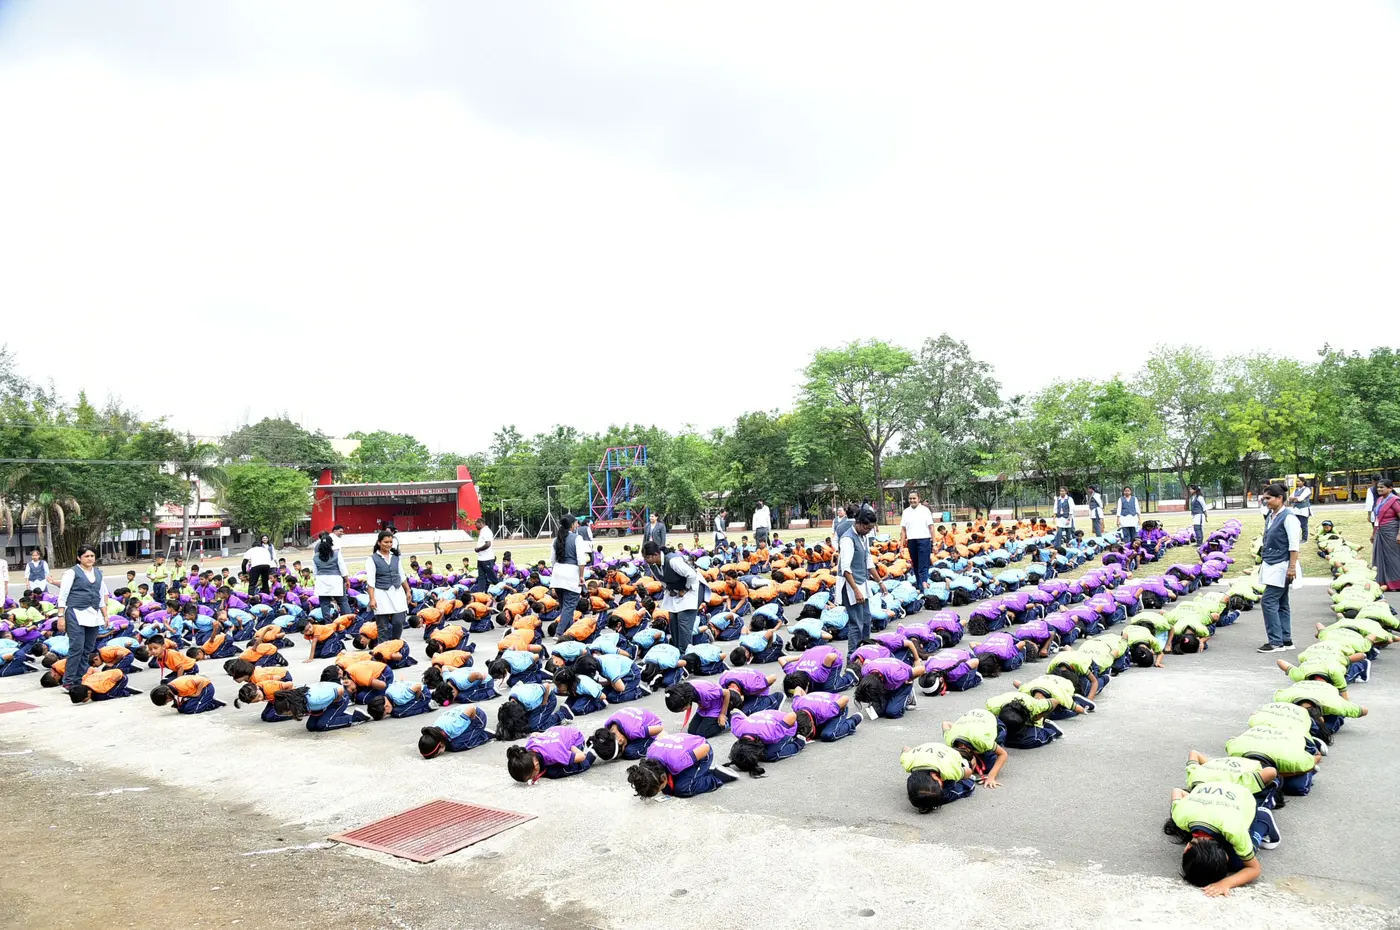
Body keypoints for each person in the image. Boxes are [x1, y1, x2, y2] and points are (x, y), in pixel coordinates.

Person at [1257, 482, 1300, 654]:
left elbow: (1294, 545)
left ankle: (1275, 642)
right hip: (1272, 563)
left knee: (1268, 600)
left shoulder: (1289, 517)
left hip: (1282, 565)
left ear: (1280, 498)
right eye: (1264, 498)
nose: (1265, 501)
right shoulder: (1271, 515)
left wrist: (1292, 567)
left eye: (1268, 498)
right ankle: (1286, 639)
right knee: (1281, 602)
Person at [57, 545, 106, 691]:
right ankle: (68, 681)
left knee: (88, 648)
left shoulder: (98, 573)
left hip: (93, 614)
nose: (90, 559)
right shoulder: (71, 573)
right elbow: (63, 596)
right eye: (86, 556)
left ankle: (79, 679)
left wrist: (105, 614)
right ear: (79, 558)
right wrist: (61, 617)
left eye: (92, 556)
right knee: (76, 648)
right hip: (75, 612)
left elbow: (101, 594)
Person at [838, 505, 886, 655]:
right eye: (867, 528)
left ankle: (866, 652)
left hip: (861, 582)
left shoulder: (863, 537)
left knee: (866, 620)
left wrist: (880, 582)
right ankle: (852, 657)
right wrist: (856, 590)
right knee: (856, 624)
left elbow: (868, 561)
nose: (869, 531)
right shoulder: (847, 539)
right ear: (858, 523)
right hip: (850, 586)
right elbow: (845, 568)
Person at [643, 541, 698, 653]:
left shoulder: (673, 561)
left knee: (683, 622)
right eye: (645, 557)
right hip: (674, 591)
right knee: (673, 621)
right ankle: (677, 650)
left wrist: (685, 589)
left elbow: (692, 575)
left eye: (648, 557)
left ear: (656, 554)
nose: (646, 560)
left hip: (691, 589)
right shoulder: (652, 565)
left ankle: (685, 653)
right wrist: (669, 589)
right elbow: (661, 579)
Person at [365, 530, 412, 644]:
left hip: (397, 592)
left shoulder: (396, 557)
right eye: (386, 542)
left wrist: (408, 590)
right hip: (381, 593)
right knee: (382, 626)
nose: (389, 544)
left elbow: (401, 575)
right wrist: (372, 599)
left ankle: (395, 643)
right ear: (379, 542)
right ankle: (382, 651)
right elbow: (371, 581)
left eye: (391, 542)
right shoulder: (372, 559)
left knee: (399, 621)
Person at [550, 515, 586, 629]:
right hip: (571, 574)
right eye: (576, 523)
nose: (577, 525)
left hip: (557, 574)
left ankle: (568, 631)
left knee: (564, 608)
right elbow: (581, 560)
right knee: (569, 606)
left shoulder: (556, 539)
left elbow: (552, 560)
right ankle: (559, 633)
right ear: (572, 525)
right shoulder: (577, 538)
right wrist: (581, 576)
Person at [311, 532, 351, 619]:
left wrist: (316, 581)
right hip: (336, 580)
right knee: (342, 602)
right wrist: (347, 580)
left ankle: (328, 623)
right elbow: (342, 569)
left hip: (321, 581)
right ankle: (349, 621)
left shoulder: (315, 556)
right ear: (331, 543)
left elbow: (315, 572)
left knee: (324, 603)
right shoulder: (336, 554)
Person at [899, 492, 935, 589]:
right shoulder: (906, 512)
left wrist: (934, 542)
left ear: (919, 499)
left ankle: (924, 585)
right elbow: (903, 530)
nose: (912, 500)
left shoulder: (925, 510)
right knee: (915, 564)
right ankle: (920, 585)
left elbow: (931, 527)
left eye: (914, 498)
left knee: (923, 565)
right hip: (912, 541)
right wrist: (901, 546)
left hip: (924, 540)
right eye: (910, 498)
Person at [1370, 479, 1400, 592]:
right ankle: (1383, 582)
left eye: (1382, 487)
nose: (1379, 489)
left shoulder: (1395, 501)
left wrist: (1399, 534)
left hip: (1392, 532)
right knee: (1380, 557)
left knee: (1393, 558)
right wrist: (1373, 533)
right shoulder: (1379, 500)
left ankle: (1396, 583)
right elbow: (1377, 519)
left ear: (1390, 488)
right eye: (1378, 487)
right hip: (1380, 531)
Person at [472, 517, 497, 593]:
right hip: (481, 558)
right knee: (481, 577)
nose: (475, 526)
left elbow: (488, 544)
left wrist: (478, 549)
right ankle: (480, 593)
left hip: (487, 558)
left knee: (491, 577)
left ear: (481, 523)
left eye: (476, 525)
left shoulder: (486, 531)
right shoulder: (483, 531)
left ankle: (501, 587)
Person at [1188, 485, 1208, 550]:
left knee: (1198, 528)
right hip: (1196, 515)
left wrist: (1206, 515)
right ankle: (1198, 542)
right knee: (1196, 528)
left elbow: (1204, 506)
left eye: (1191, 489)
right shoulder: (1194, 497)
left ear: (1195, 490)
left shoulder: (1199, 497)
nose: (1190, 490)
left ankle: (1200, 542)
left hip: (1199, 515)